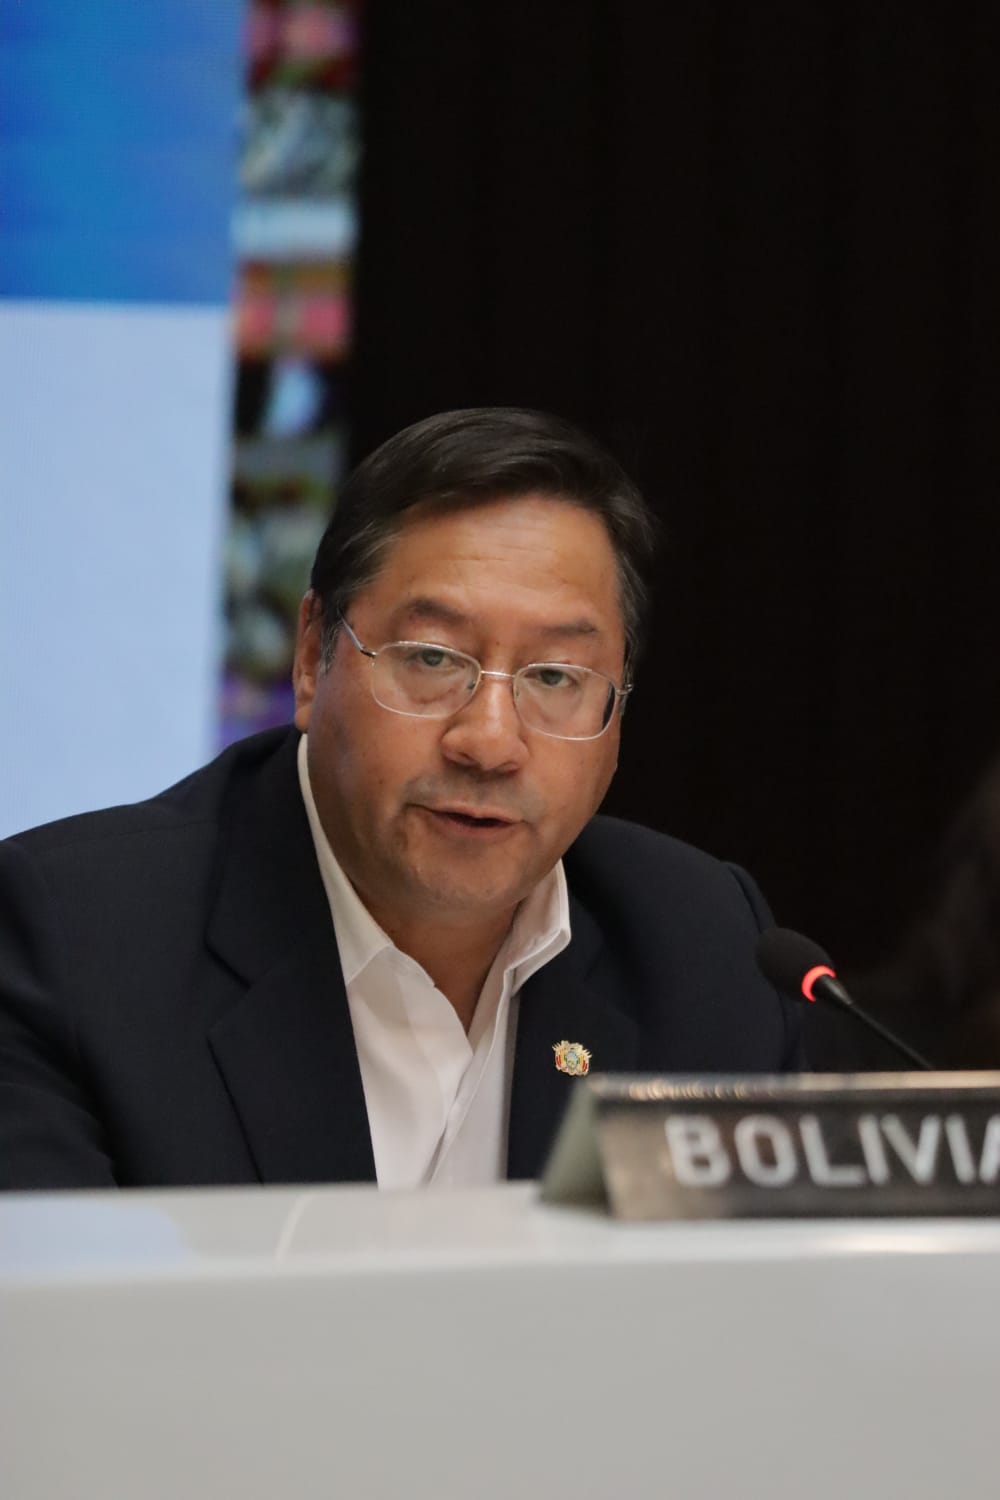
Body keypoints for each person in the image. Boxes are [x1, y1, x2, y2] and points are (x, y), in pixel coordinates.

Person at [0, 407, 802, 1192]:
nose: (489, 742)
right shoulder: (73, 946)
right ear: (311, 656)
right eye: (431, 658)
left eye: (556, 676)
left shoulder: (708, 953)